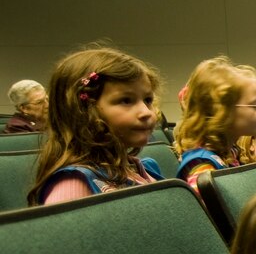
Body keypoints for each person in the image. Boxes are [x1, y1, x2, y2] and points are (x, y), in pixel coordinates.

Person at [26, 47, 163, 206]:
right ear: (83, 111)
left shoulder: (143, 168)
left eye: (147, 100)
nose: (146, 112)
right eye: (126, 100)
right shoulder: (74, 184)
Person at [174, 56, 256, 190]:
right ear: (222, 112)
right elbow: (210, 210)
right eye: (255, 105)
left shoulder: (230, 152)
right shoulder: (202, 165)